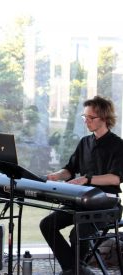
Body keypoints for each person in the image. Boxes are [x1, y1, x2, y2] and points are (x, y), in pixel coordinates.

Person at [40, 95, 123, 275]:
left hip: (106, 204)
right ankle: (75, 268)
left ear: (104, 118)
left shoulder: (118, 145)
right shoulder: (85, 142)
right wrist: (56, 175)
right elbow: (70, 169)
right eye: (84, 117)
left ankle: (74, 269)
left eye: (91, 117)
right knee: (47, 224)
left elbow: (115, 179)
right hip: (81, 201)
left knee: (77, 233)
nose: (86, 121)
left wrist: (88, 178)